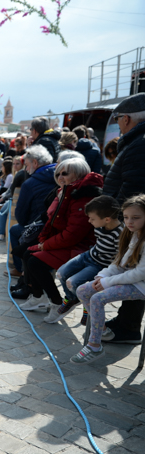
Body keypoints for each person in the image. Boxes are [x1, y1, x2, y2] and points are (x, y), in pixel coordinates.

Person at [17, 158, 101, 316]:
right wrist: (43, 240)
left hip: (81, 247)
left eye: (65, 173)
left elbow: (73, 234)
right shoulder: (64, 191)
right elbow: (50, 221)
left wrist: (45, 245)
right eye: (58, 173)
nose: (60, 177)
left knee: (35, 261)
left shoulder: (83, 196)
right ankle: (38, 296)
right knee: (27, 252)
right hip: (64, 241)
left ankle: (57, 302)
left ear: (78, 174)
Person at [74, 194, 145, 364]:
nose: (129, 222)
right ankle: (102, 330)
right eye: (126, 217)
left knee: (98, 297)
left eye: (135, 218)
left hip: (141, 285)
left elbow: (140, 273)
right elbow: (121, 262)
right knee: (83, 290)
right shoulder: (133, 234)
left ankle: (94, 345)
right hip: (131, 280)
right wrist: (104, 275)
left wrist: (108, 282)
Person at [99, 93, 145, 344]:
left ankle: (129, 327)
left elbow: (133, 190)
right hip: (131, 219)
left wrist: (124, 221)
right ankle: (127, 322)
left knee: (133, 267)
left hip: (132, 221)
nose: (118, 123)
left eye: (118, 119)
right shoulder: (137, 141)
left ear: (126, 119)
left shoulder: (139, 144)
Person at [45, 195, 122, 324]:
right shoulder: (100, 225)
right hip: (88, 255)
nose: (89, 221)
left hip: (99, 264)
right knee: (60, 273)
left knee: (72, 282)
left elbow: (119, 258)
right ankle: (72, 299)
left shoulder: (120, 234)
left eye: (92, 219)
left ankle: (88, 305)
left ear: (107, 219)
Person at [9, 145, 57, 292]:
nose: (26, 169)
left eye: (27, 165)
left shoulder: (30, 183)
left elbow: (21, 217)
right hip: (58, 226)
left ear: (35, 163)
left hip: (41, 228)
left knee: (16, 231)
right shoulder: (61, 175)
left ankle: (22, 273)